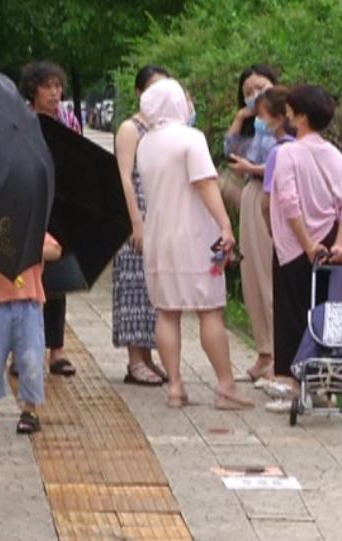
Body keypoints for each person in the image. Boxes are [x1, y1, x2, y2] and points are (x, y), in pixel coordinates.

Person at [136, 78, 254, 410]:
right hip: (195, 235)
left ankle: (174, 386)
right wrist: (225, 224)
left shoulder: (147, 142)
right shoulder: (191, 139)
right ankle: (226, 386)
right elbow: (204, 184)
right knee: (210, 310)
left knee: (167, 312)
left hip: (160, 235)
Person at [265, 85, 342, 412]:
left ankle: (295, 387)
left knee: (293, 314)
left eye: (291, 110)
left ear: (302, 116)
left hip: (296, 246)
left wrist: (308, 245)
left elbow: (289, 203)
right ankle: (325, 388)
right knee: (325, 315)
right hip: (331, 247)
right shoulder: (337, 156)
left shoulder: (286, 153)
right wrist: (338, 244)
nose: (288, 115)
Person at [19, 61, 80, 376]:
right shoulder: (23, 120)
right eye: (48, 86)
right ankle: (22, 352)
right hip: (29, 204)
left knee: (58, 279)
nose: (55, 93)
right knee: (25, 279)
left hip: (60, 205)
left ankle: (56, 350)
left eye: (58, 86)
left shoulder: (68, 120)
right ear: (34, 89)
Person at [0, 234, 62, 433]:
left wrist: (28, 248)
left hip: (29, 304)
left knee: (31, 358)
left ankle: (30, 409)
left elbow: (55, 251)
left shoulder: (32, 229)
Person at [112, 65, 170, 386]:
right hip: (138, 217)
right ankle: (135, 360)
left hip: (162, 218)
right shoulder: (130, 128)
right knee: (134, 287)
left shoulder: (165, 128)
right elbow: (124, 176)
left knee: (154, 291)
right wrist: (137, 222)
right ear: (139, 93)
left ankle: (148, 355)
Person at [221, 64, 279, 384]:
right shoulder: (254, 126)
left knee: (270, 277)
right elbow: (230, 153)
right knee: (252, 277)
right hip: (251, 198)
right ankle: (263, 353)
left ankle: (278, 357)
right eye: (247, 92)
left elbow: (281, 163)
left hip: (270, 198)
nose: (255, 96)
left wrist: (252, 169)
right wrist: (242, 118)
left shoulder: (283, 126)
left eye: (260, 88)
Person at [255, 87, 296, 236]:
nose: (258, 121)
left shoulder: (277, 153)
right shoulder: (304, 146)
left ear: (278, 119)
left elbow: (266, 203)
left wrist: (270, 230)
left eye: (262, 116)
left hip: (286, 235)